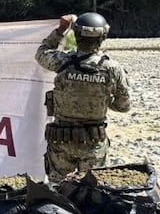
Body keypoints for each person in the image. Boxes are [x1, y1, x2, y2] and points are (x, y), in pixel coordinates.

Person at [35, 12, 131, 181]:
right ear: (103, 38)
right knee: (94, 192)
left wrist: (60, 30)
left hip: (61, 142)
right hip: (93, 142)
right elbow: (124, 105)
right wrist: (103, 100)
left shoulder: (62, 61)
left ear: (77, 35)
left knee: (57, 191)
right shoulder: (112, 69)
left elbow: (41, 53)